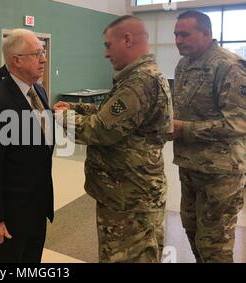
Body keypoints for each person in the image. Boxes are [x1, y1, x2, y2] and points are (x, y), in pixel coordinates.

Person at [53, 15, 173, 263]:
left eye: (108, 45)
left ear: (127, 40)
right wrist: (76, 107)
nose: (106, 54)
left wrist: (64, 117)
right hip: (126, 193)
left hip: (130, 199)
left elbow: (99, 130)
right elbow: (111, 112)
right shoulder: (136, 78)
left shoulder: (140, 82)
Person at [0, 28, 54, 263]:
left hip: (36, 207)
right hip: (9, 214)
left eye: (43, 52)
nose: (44, 59)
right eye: (37, 53)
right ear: (16, 60)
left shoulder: (38, 91)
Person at [172, 10, 246, 263]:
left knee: (214, 245)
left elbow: (239, 122)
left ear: (206, 33)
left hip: (220, 174)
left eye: (185, 34)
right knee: (192, 232)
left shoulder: (229, 66)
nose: (178, 40)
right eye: (176, 34)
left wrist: (185, 129)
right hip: (190, 167)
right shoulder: (184, 65)